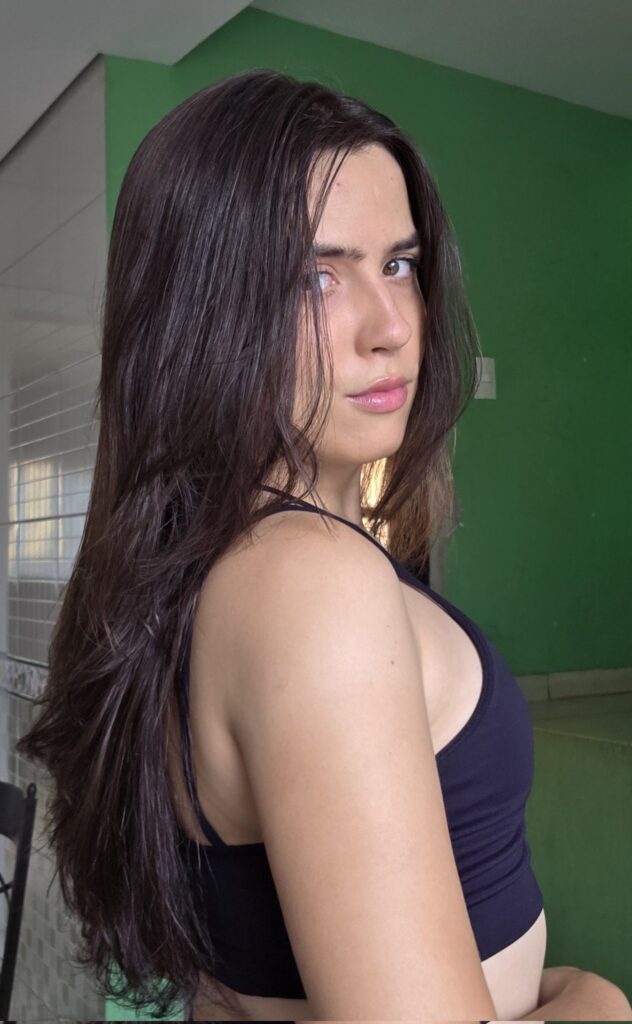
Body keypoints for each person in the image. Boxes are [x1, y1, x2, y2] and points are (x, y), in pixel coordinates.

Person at [16, 69, 631, 1023]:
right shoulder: (310, 580)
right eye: (316, 276)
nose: (390, 328)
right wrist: (594, 1003)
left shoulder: (224, 568)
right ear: (202, 311)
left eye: (399, 265)